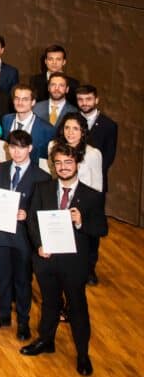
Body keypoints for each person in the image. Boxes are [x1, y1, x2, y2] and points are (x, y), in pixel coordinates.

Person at [22, 144, 106, 377]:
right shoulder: (42, 189)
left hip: (74, 264)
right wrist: (39, 245)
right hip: (46, 259)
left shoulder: (91, 196)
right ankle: (46, 341)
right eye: (58, 163)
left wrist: (81, 222)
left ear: (77, 163)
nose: (63, 167)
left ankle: (82, 354)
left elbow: (102, 228)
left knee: (77, 308)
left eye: (68, 162)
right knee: (49, 303)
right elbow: (32, 222)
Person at [0, 130, 48, 341]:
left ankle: (23, 321)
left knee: (22, 280)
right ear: (7, 148)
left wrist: (28, 214)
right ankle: (3, 315)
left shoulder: (41, 177)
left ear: (30, 148)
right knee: (2, 278)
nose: (16, 152)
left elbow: (44, 211)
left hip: (23, 238)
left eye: (21, 147)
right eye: (12, 147)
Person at [75, 84, 116, 285]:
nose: (85, 103)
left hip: (94, 185)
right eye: (81, 100)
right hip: (71, 183)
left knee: (91, 228)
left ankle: (90, 269)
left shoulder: (109, 125)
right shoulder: (72, 122)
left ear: (96, 100)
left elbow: (108, 158)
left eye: (88, 99)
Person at [1, 84, 55, 163]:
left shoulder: (47, 129)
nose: (20, 102)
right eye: (17, 99)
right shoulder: (6, 120)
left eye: (25, 99)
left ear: (33, 102)